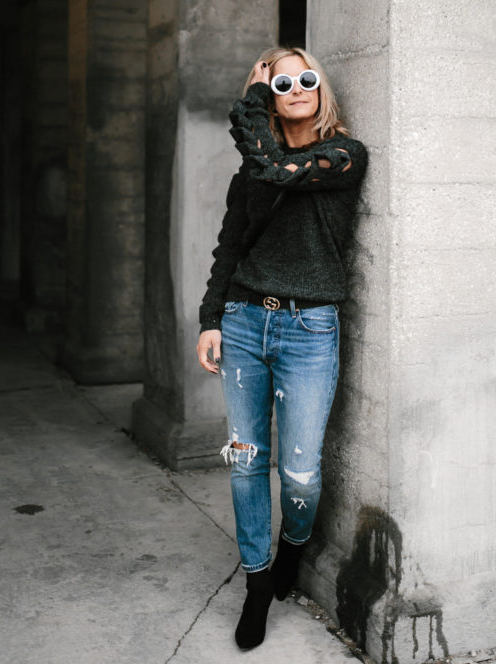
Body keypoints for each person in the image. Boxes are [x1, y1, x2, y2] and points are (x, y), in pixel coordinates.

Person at [196, 47, 367, 650]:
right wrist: (210, 317)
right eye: (281, 82)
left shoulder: (341, 155)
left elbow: (276, 169)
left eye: (306, 78)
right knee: (246, 461)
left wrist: (252, 101)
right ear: (268, 96)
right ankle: (257, 583)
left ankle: (293, 547)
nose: (296, 88)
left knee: (299, 474)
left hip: (309, 331)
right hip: (244, 323)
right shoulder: (251, 171)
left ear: (321, 88)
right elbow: (230, 245)